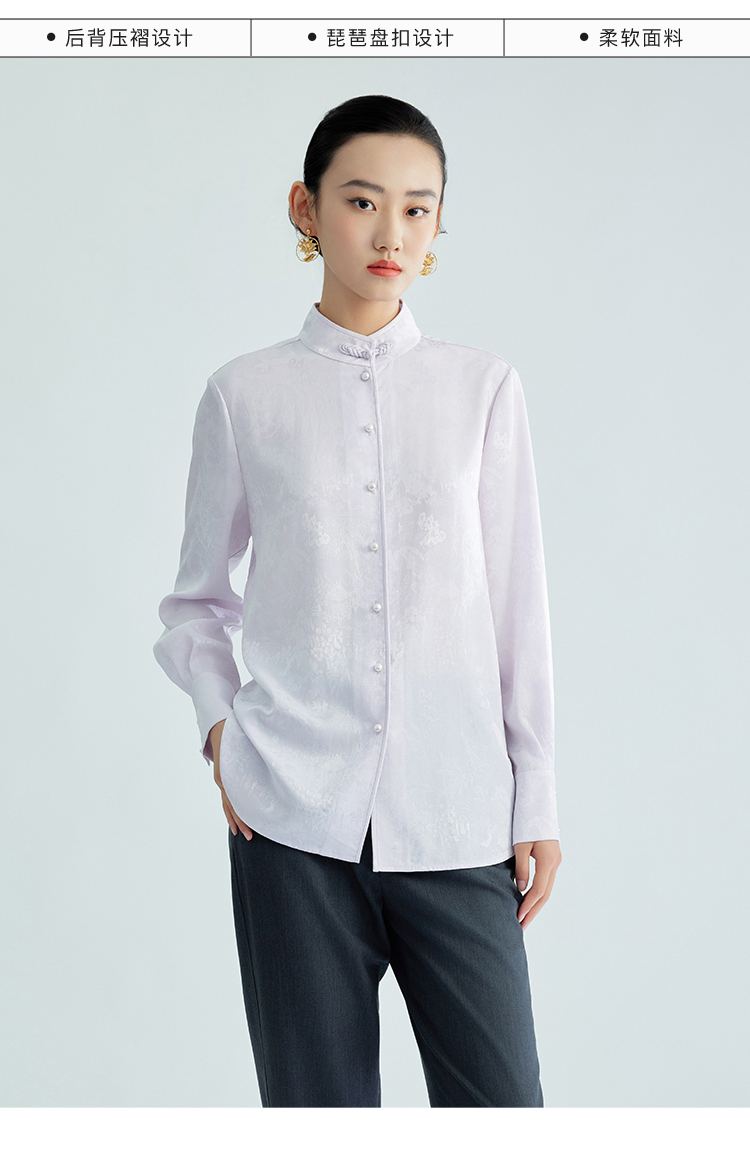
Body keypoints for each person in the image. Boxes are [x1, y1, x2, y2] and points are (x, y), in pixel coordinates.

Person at [153, 93, 562, 1108]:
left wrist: (537, 793)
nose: (392, 234)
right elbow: (196, 601)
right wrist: (221, 734)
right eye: (363, 201)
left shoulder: (483, 391)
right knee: (316, 1113)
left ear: (439, 224)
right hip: (291, 822)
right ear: (306, 208)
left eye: (418, 209)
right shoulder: (244, 396)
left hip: (459, 816)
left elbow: (519, 610)